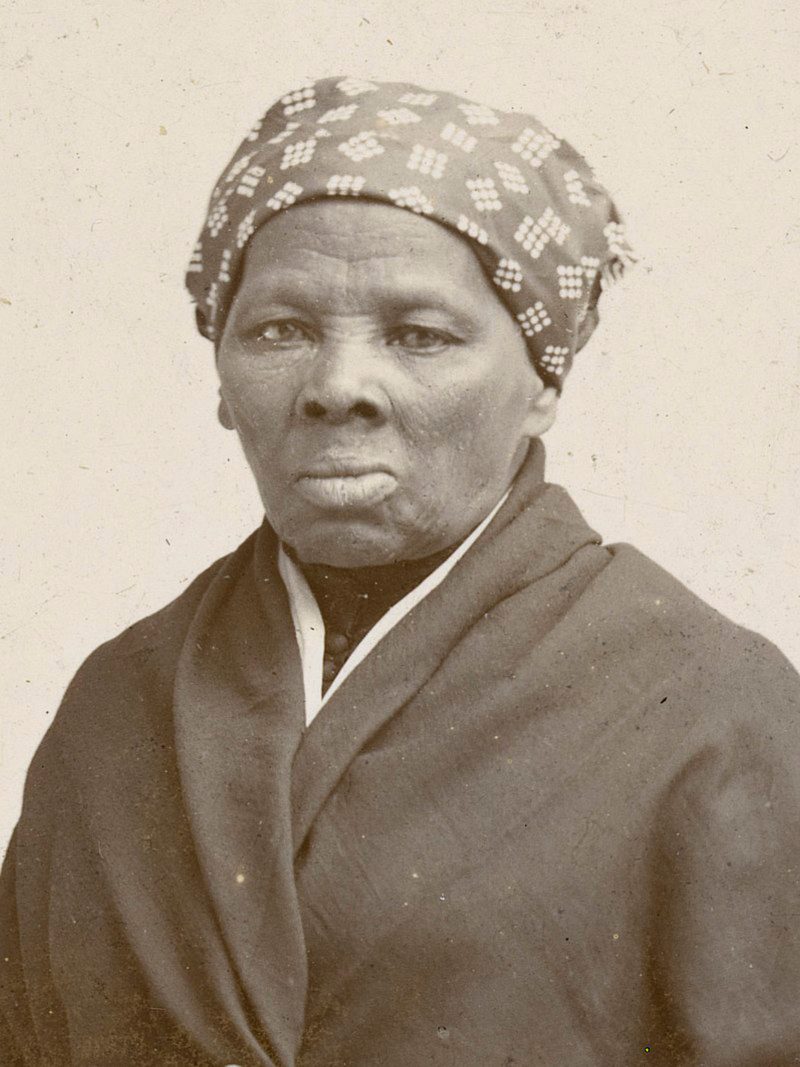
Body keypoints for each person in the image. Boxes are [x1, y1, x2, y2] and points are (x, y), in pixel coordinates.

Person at [1, 75, 799, 1066]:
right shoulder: (118, 703)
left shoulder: (710, 708)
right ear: (221, 374)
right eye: (279, 330)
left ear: (544, 380)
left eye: (418, 336)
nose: (338, 388)